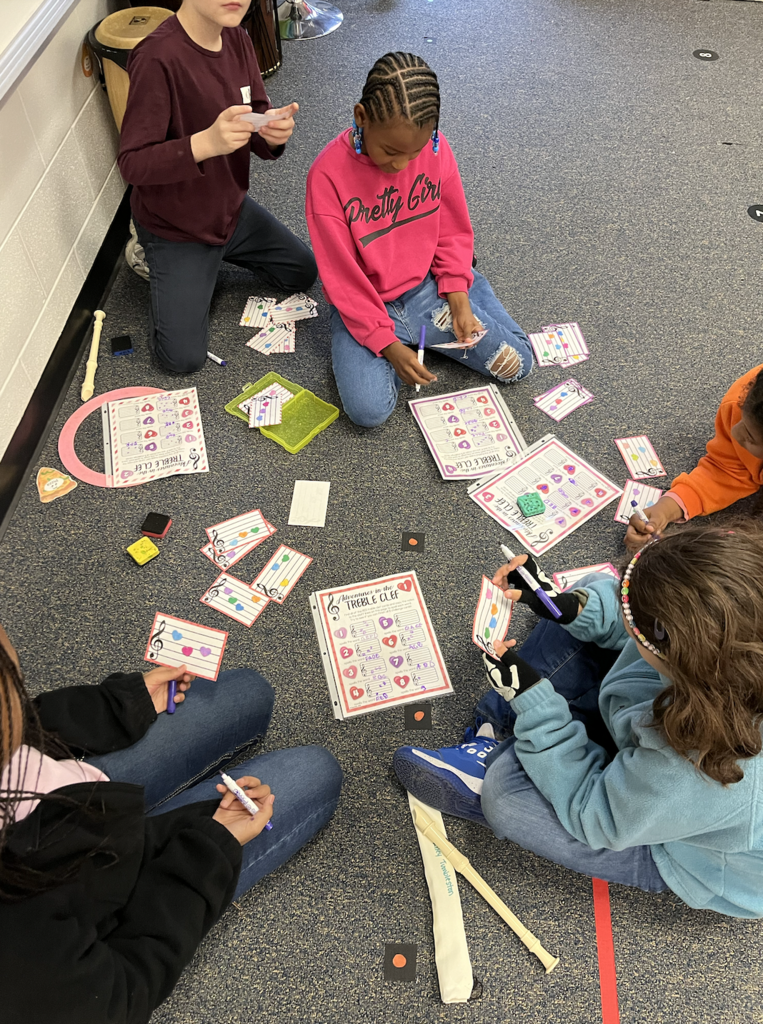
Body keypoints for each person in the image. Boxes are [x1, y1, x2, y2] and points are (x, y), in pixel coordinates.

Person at [393, 523, 763, 917]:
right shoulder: (724, 644)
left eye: (635, 621)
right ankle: (507, 729)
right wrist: (567, 607)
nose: (627, 614)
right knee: (594, 596)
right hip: (657, 752)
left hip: (672, 843)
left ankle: (505, 746)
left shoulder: (700, 770)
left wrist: (535, 706)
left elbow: (598, 815)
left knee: (506, 799)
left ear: (677, 651)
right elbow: (634, 616)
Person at [0, 624, 342, 1023]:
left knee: (253, 690)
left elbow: (31, 723)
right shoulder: (19, 956)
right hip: (127, 890)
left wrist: (118, 705)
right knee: (318, 771)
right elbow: (125, 992)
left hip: (80, 792)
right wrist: (211, 850)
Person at [305, 52, 533, 428]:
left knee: (517, 364)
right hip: (364, 303)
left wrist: (457, 294)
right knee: (368, 411)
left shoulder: (437, 148)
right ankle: (416, 338)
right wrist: (387, 344)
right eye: (391, 152)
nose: (401, 166)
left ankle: (462, 298)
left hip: (427, 288)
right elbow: (342, 279)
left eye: (415, 153)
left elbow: (452, 231)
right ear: (361, 117)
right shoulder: (326, 176)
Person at [117, 0, 317, 374]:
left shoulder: (239, 38)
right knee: (182, 360)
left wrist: (272, 132)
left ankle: (209, 262)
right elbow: (132, 163)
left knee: (302, 273)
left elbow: (256, 119)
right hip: (175, 227)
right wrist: (204, 143)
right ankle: (150, 253)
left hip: (229, 209)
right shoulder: (156, 57)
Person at [626, 364, 763, 549]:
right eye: (743, 422)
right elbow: (726, 471)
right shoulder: (745, 399)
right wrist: (667, 508)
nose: (735, 432)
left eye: (751, 438)